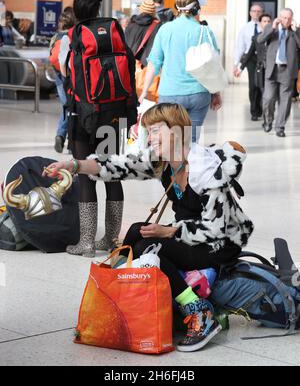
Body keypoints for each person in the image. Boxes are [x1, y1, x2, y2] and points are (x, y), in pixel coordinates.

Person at [43, 102, 254, 352]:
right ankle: (122, 297)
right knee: (135, 231)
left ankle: (199, 312)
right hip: (189, 233)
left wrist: (168, 232)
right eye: (148, 131)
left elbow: (216, 228)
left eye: (156, 130)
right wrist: (73, 166)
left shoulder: (207, 170)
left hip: (220, 243)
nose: (150, 138)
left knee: (151, 247)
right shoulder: (164, 162)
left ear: (176, 131)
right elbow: (113, 166)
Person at [58, 0, 137, 256]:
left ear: (77, 13)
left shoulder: (71, 37)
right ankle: (112, 240)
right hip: (116, 111)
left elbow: (63, 71)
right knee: (112, 174)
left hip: (84, 114)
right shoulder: (114, 32)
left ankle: (87, 242)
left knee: (85, 176)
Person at [139, 0, 222, 143]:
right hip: (199, 93)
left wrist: (144, 91)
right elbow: (213, 64)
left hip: (170, 94)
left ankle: (174, 166)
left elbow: (154, 62)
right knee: (191, 141)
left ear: (176, 8)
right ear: (196, 8)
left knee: (171, 141)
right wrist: (215, 92)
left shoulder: (165, 29)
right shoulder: (204, 31)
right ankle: (188, 166)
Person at [257, 8, 300, 137]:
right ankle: (268, 120)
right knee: (268, 99)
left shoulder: (295, 32)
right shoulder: (272, 28)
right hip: (272, 69)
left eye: (289, 18)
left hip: (287, 70)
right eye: (284, 18)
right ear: (279, 18)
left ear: (292, 19)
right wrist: (272, 28)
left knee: (285, 101)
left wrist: (296, 31)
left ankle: (280, 127)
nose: (286, 20)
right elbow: (260, 40)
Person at [50, 7, 76, 153]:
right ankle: (72, 143)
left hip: (59, 75)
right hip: (72, 75)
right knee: (74, 107)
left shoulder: (55, 37)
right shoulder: (74, 36)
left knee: (66, 106)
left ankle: (60, 135)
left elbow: (51, 56)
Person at [234, 3, 264, 121]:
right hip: (250, 59)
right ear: (250, 13)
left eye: (259, 11)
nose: (256, 13)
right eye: (254, 11)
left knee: (262, 85)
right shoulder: (245, 28)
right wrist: (236, 64)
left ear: (262, 13)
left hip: (263, 58)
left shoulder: (266, 26)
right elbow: (240, 47)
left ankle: (260, 109)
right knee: (253, 85)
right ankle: (254, 112)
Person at [236, 13, 272, 95]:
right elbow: (249, 53)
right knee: (258, 91)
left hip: (273, 69)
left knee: (269, 95)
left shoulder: (276, 36)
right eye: (264, 21)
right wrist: (240, 68)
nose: (266, 23)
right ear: (260, 23)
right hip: (261, 69)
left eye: (268, 21)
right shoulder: (256, 38)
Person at [125, 0, 161, 69]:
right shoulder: (158, 27)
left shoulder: (130, 25)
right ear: (153, 12)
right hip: (148, 67)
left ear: (140, 10)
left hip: (131, 65)